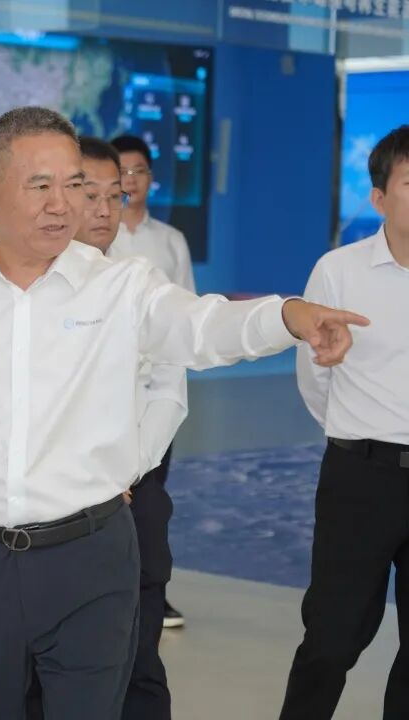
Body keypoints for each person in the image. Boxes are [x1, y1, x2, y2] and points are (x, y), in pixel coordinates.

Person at [0, 106, 367, 719]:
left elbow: (202, 326)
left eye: (74, 184)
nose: (62, 205)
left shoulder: (123, 285)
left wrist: (288, 315)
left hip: (92, 558)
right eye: (40, 185)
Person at [280, 125, 409, 720]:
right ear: (379, 197)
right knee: (332, 638)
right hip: (361, 478)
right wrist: (355, 436)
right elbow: (315, 378)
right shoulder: (339, 271)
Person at [79, 135, 184, 720]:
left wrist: (127, 469)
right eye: (88, 193)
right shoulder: (13, 285)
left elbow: (169, 382)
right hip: (53, 510)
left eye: (112, 195)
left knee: (139, 658)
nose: (103, 209)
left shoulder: (142, 278)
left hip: (132, 488)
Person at [111, 133, 195, 629]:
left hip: (154, 389)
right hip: (106, 389)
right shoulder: (93, 235)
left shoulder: (170, 240)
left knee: (151, 494)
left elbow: (186, 315)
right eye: (121, 172)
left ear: (150, 177)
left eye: (138, 171)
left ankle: (151, 594)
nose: (130, 180)